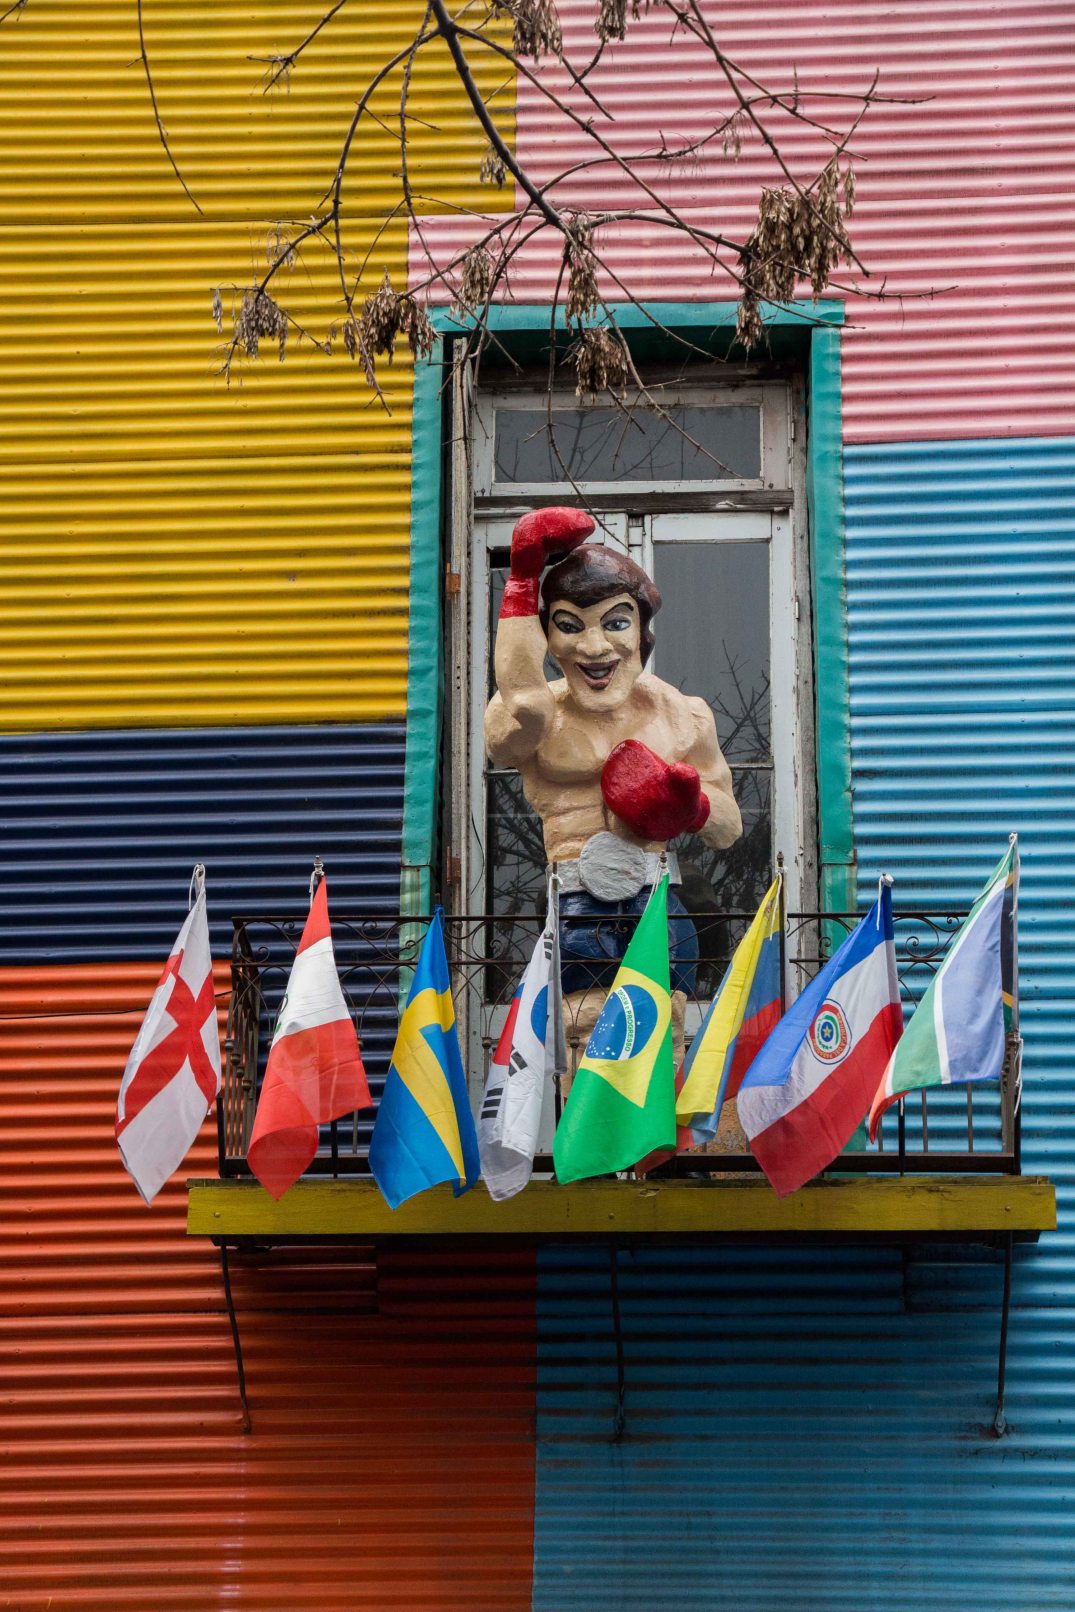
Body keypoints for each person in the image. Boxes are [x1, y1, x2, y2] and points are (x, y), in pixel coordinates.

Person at [484, 506, 742, 1029]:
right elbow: (522, 706)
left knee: (662, 1034)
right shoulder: (535, 714)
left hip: (656, 899)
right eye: (568, 626)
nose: (595, 647)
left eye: (616, 623)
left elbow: (728, 827)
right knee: (582, 1031)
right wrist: (522, 580)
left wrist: (688, 809)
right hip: (576, 899)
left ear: (643, 629)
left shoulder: (681, 713)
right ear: (547, 637)